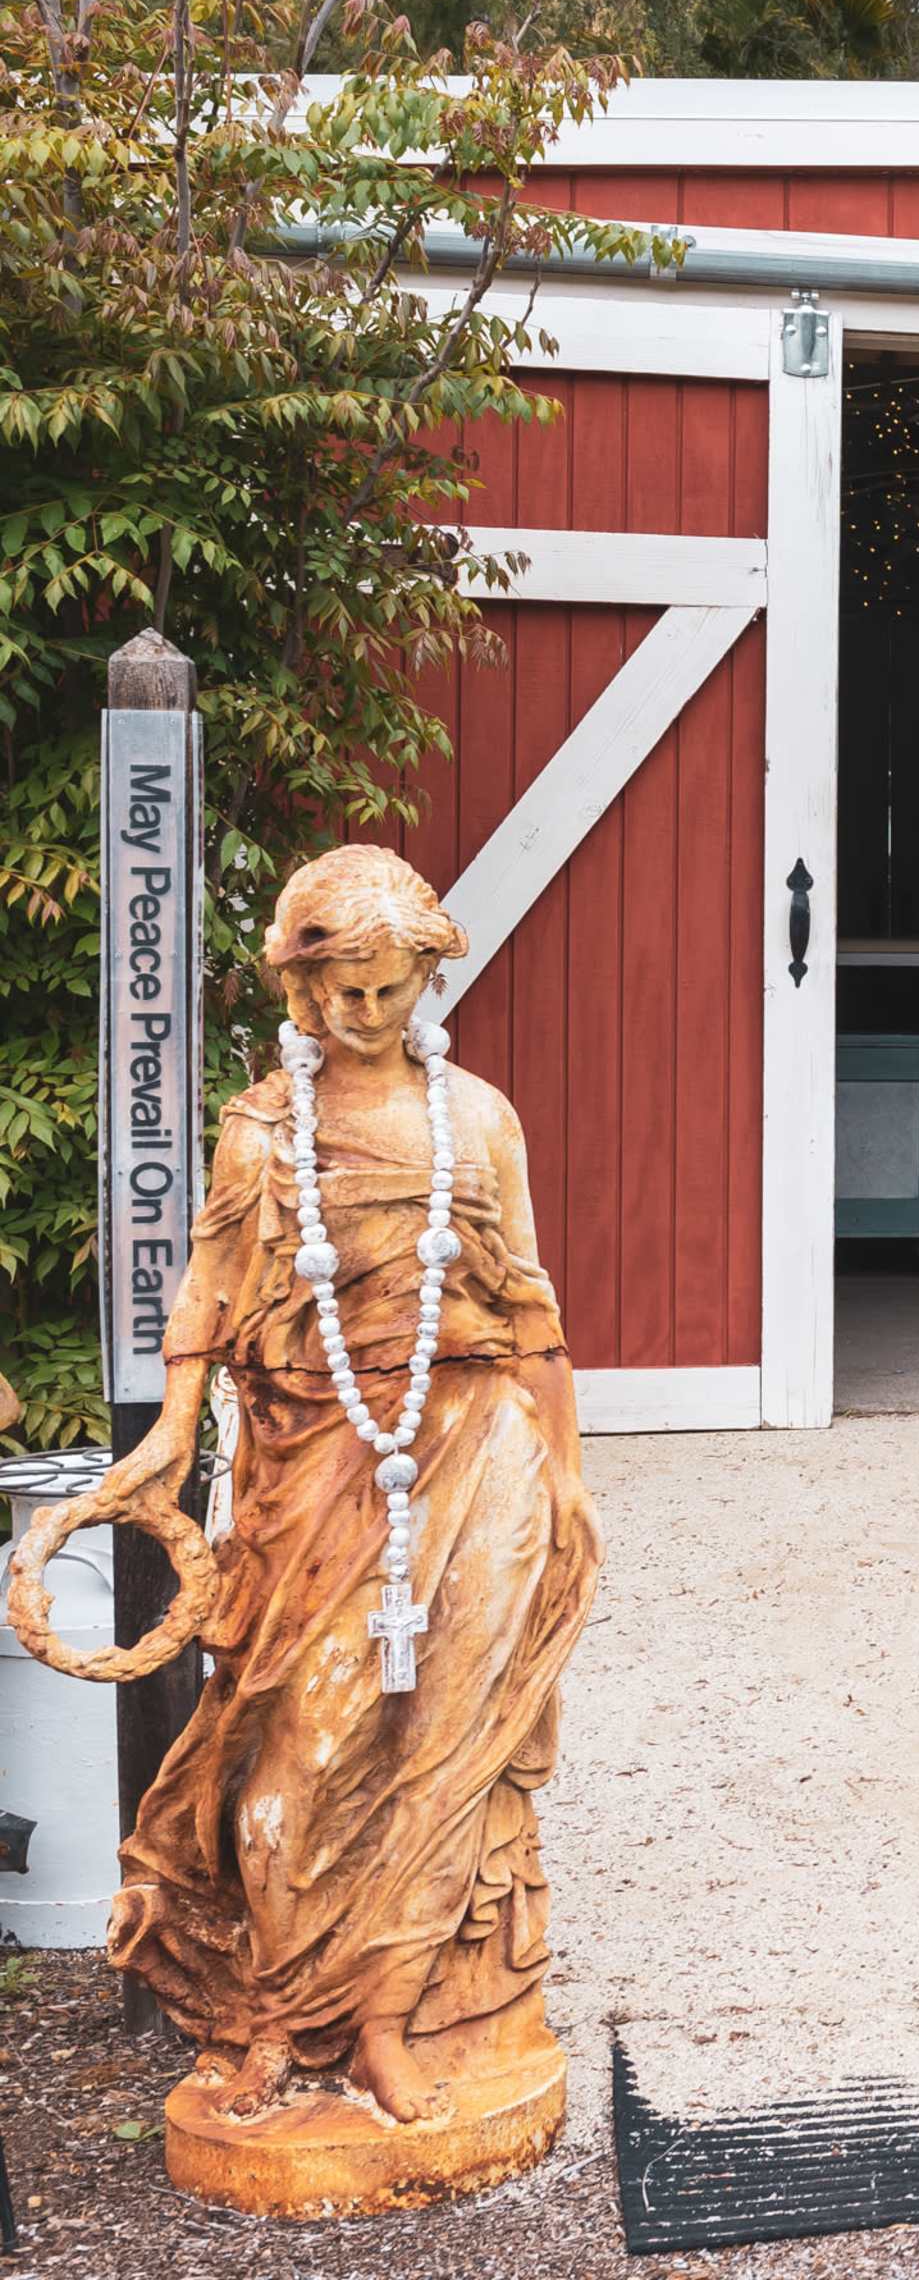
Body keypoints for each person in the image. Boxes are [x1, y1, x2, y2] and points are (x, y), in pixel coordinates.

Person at [25, 845, 600, 2133]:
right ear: (299, 988)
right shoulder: (266, 1126)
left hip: (482, 1448)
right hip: (315, 1462)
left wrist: (564, 1473)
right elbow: (214, 1286)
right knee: (291, 1756)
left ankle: (391, 2025)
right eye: (345, 994)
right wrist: (175, 1428)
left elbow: (533, 1309)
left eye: (392, 992)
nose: (370, 1017)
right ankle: (278, 2022)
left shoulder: (480, 1117)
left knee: (441, 1746)